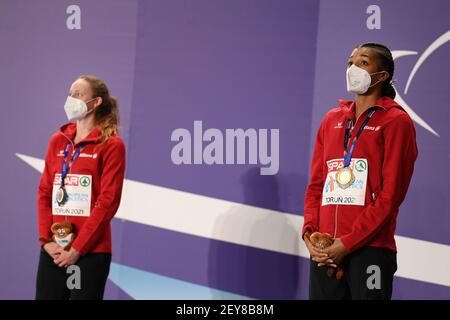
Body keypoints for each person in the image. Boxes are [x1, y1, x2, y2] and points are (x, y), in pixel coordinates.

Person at [302, 43, 418, 300]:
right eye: (350, 62)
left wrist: (347, 243)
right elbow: (317, 186)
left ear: (383, 75)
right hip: (325, 250)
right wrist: (310, 233)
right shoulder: (332, 119)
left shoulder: (396, 121)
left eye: (363, 63)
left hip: (370, 249)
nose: (354, 68)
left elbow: (391, 196)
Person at [35, 75, 126, 300]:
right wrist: (47, 241)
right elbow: (45, 192)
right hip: (55, 249)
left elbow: (108, 201)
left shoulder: (112, 145)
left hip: (90, 252)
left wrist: (78, 248)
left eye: (78, 94)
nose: (71, 99)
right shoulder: (57, 141)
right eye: (70, 93)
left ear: (95, 103)